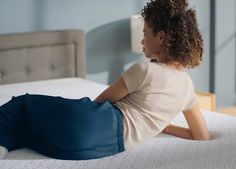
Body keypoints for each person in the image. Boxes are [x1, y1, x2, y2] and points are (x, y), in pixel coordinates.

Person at [0, 0, 210, 160]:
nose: (142, 39)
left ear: (162, 37)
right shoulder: (188, 87)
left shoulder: (145, 69)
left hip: (94, 123)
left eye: (146, 33)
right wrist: (163, 126)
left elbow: (100, 102)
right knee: (29, 133)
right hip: (105, 148)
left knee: (22, 104)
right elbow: (201, 136)